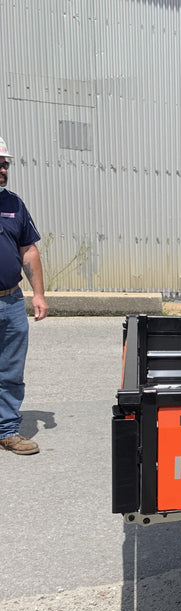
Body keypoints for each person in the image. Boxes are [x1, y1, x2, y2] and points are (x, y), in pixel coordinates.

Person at [0, 137, 47, 455]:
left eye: (5, 164)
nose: (2, 169)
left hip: (11, 300)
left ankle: (7, 430)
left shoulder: (14, 204)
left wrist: (38, 294)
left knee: (11, 371)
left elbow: (28, 250)